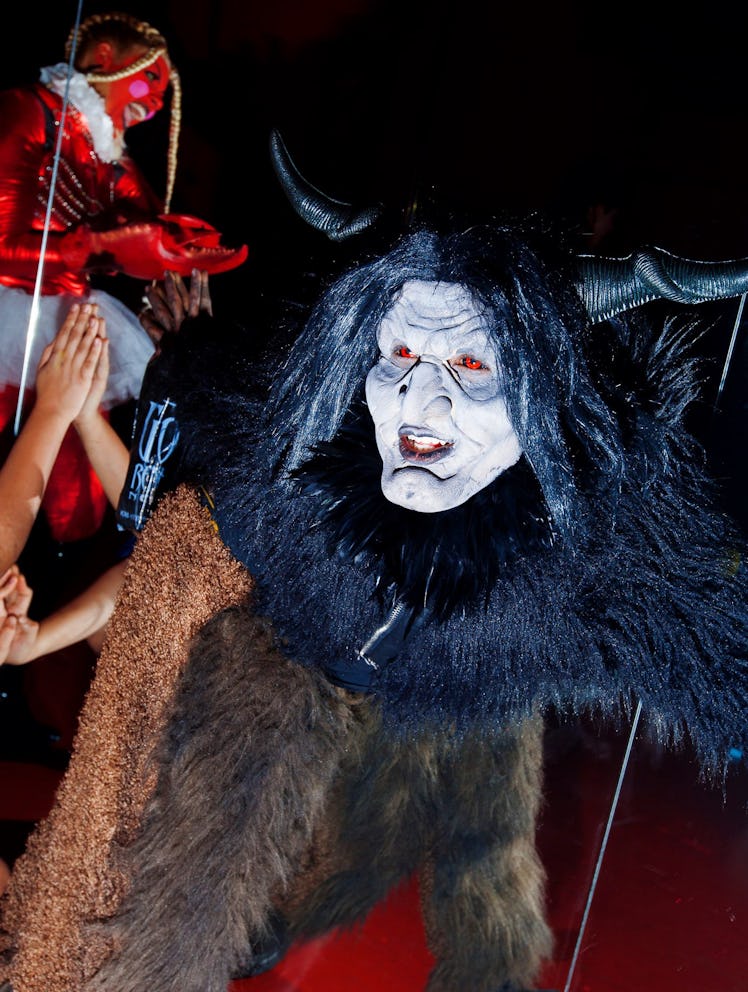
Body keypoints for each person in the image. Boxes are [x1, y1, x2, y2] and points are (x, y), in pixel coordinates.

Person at [0, 137, 747, 992]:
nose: (418, 407)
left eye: (468, 366)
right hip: (296, 687)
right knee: (222, 815)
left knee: (483, 827)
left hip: (463, 690)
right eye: (399, 357)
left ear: (541, 393)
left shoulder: (578, 564)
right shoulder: (294, 490)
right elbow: (171, 551)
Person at [0, 9, 246, 546]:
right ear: (105, 59)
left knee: (78, 504)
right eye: (148, 79)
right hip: (10, 311)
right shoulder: (29, 110)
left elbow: (151, 230)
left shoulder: (108, 151)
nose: (155, 101)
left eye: (162, 93)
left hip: (73, 319)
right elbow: (4, 244)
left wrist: (182, 252)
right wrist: (89, 248)